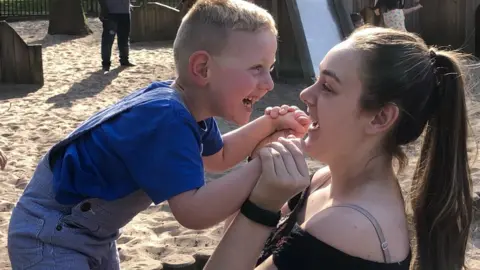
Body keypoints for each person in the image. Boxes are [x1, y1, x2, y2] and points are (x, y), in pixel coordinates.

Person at [7, 0, 310, 269]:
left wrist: (267, 127)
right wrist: (264, 164)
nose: (269, 83)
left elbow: (217, 158)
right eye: (257, 68)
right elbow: (194, 212)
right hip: (50, 235)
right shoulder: (166, 117)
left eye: (270, 68)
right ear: (203, 68)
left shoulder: (189, 105)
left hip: (92, 234)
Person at [206, 26, 474, 270]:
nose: (305, 95)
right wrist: (259, 168)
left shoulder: (348, 227)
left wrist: (263, 204)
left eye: (328, 87)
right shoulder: (326, 180)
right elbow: (242, 251)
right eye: (316, 78)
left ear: (380, 118)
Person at [98, 0, 135, 72]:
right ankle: (106, 63)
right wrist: (103, 9)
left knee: (124, 37)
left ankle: (124, 60)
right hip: (110, 13)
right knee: (108, 39)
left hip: (125, 12)